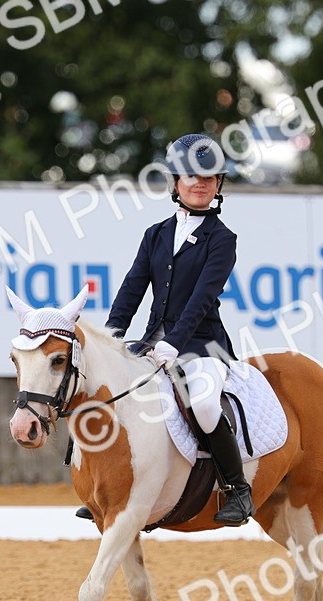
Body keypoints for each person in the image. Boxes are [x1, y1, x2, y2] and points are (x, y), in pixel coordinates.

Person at [96, 133, 255, 526]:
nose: (200, 183)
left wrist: (174, 343)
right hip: (152, 342)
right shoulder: (156, 234)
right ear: (175, 182)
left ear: (218, 185)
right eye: (190, 176)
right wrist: (110, 337)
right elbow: (132, 288)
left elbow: (203, 299)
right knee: (101, 387)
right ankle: (101, 487)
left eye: (210, 177)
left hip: (203, 346)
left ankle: (237, 488)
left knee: (202, 404)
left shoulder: (222, 239)